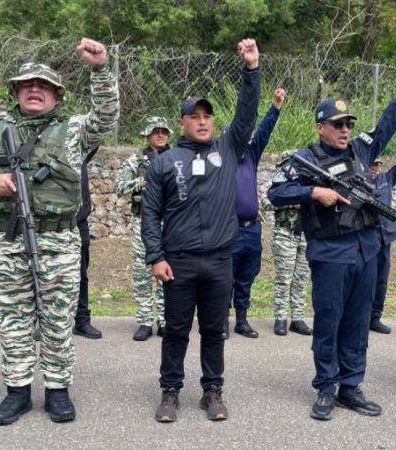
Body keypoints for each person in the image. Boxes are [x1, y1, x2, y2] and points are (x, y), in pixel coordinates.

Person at [0, 39, 119, 425]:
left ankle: (58, 390)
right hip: (5, 240)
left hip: (59, 240)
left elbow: (106, 118)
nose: (34, 90)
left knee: (58, 318)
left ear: (58, 95)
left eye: (43, 86)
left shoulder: (75, 130)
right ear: (15, 92)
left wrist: (100, 69)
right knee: (12, 319)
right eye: (26, 85)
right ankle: (18, 391)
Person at [269, 56, 396, 421]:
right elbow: (276, 193)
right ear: (321, 127)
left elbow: (387, 123)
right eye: (337, 124)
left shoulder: (361, 150)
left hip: (366, 249)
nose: (345, 130)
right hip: (330, 252)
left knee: (356, 322)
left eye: (348, 124)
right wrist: (313, 194)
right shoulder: (306, 159)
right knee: (329, 321)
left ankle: (350, 386)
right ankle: (326, 386)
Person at [142, 39, 261, 423]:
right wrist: (156, 257)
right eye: (194, 115)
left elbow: (246, 114)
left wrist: (251, 71)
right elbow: (150, 213)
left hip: (219, 260)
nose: (203, 120)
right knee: (176, 331)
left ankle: (212, 390)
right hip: (179, 262)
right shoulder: (164, 162)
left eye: (207, 115)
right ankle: (170, 391)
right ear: (182, 123)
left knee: (215, 331)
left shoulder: (227, 150)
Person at [228, 87, 286, 339]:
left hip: (252, 229)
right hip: (228, 229)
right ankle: (220, 322)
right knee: (225, 277)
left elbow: (264, 132)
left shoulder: (251, 156)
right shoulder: (221, 158)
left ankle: (241, 320)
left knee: (246, 276)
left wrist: (275, 107)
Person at [115, 116, 171, 341]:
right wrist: (141, 182)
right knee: (142, 273)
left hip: (170, 223)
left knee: (168, 272)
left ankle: (165, 320)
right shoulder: (135, 162)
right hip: (143, 221)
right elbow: (119, 187)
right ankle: (145, 321)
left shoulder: (176, 159)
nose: (160, 135)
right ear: (147, 135)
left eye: (164, 131)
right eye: (155, 131)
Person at [369, 127, 396, 335]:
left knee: (381, 279)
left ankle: (375, 317)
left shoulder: (385, 179)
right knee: (363, 279)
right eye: (371, 164)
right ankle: (359, 316)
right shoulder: (355, 179)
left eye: (377, 164)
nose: (375, 168)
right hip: (365, 237)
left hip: (384, 236)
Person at [73, 133, 104, 340]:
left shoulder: (80, 152)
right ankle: (43, 322)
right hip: (49, 225)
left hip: (78, 222)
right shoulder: (44, 152)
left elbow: (97, 134)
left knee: (81, 273)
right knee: (46, 275)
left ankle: (81, 320)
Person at [270, 194, 312, 336]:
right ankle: (281, 318)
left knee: (301, 279)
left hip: (307, 234)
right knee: (284, 279)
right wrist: (291, 203)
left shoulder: (310, 180)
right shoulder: (281, 178)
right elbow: (266, 200)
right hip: (285, 234)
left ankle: (298, 319)